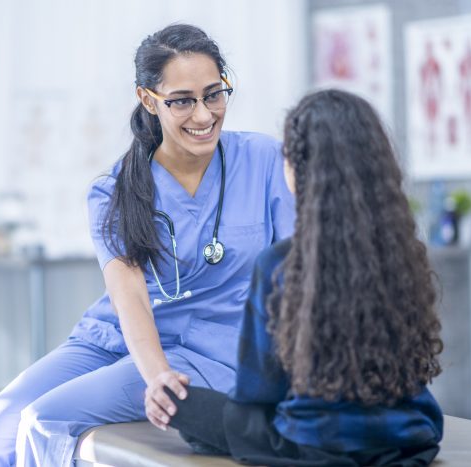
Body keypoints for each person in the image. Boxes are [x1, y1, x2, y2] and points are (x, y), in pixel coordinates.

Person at [0, 23, 295, 467]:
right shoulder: (116, 189)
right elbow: (128, 295)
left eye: (214, 94)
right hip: (113, 337)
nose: (205, 115)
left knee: (45, 419)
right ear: (148, 100)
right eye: (182, 101)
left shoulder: (265, 160)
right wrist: (157, 376)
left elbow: (297, 275)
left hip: (214, 348)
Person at [166, 89, 445, 466]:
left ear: (297, 168)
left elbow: (257, 395)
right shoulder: (406, 253)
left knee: (180, 402)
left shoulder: (281, 265)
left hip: (312, 443)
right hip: (409, 435)